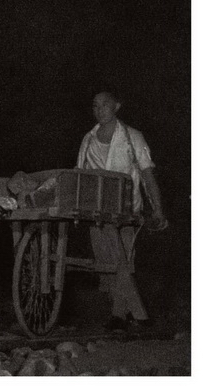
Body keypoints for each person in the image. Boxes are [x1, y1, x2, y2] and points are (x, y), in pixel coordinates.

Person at [76, 91, 167, 331]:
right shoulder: (88, 139)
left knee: (124, 262)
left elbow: (147, 175)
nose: (99, 110)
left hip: (127, 210)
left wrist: (157, 209)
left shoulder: (132, 136)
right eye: (95, 106)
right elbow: (80, 174)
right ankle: (120, 315)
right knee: (110, 264)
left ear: (116, 106)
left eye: (105, 105)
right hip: (96, 211)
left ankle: (137, 317)